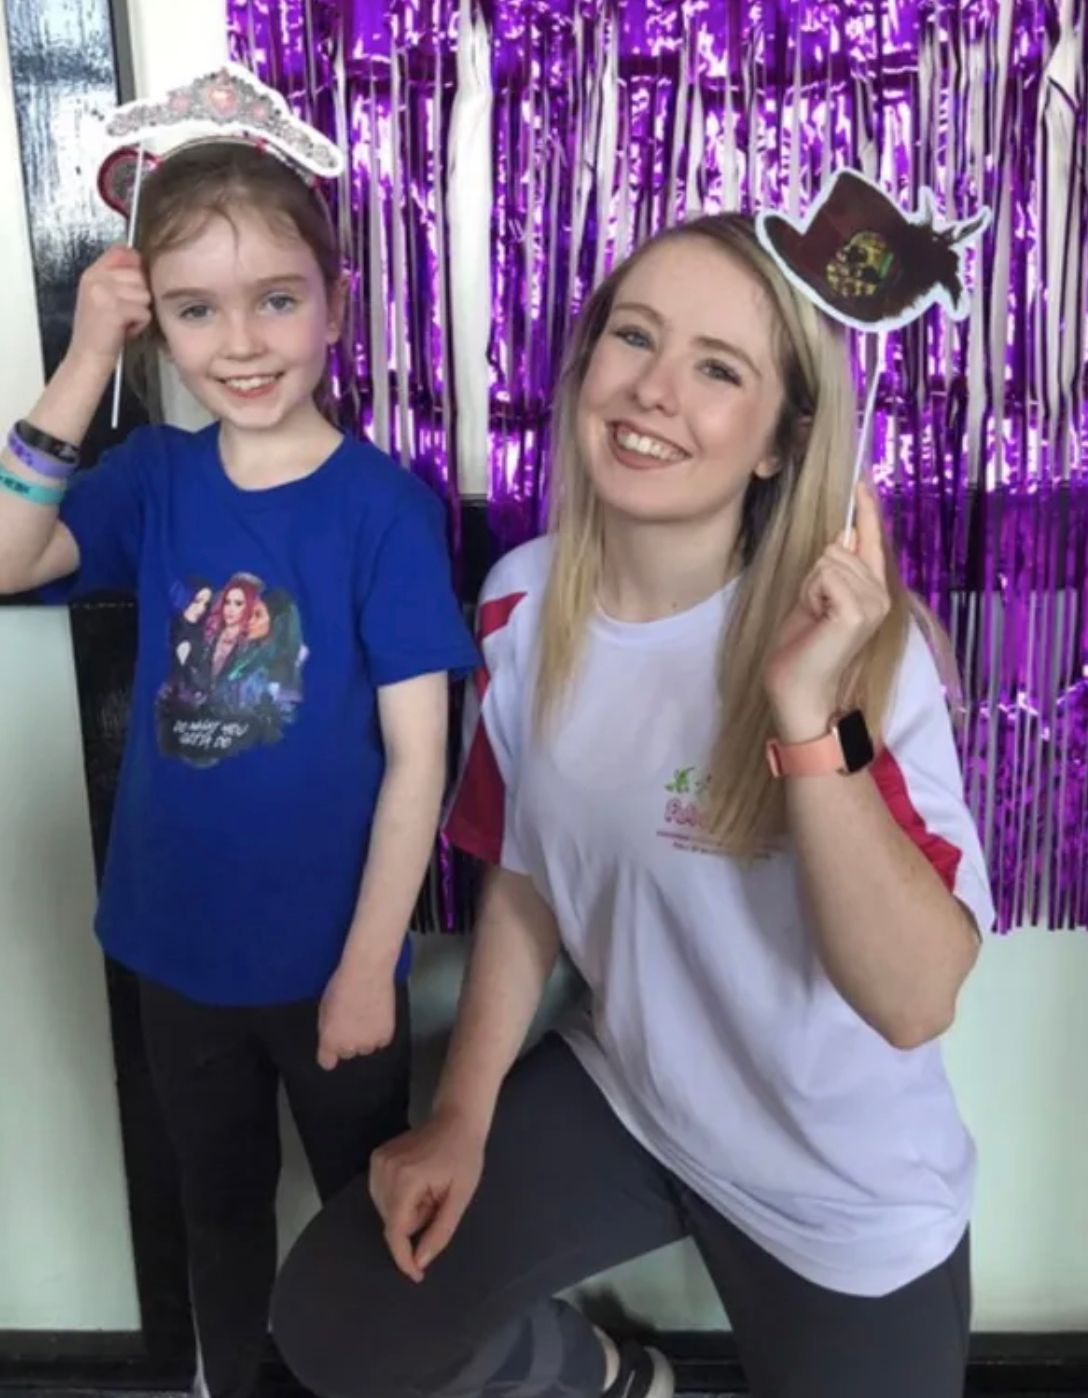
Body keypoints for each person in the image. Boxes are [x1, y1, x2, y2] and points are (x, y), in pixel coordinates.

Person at [269, 212, 995, 1398]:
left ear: (776, 442)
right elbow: (523, 876)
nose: (654, 391)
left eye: (719, 369)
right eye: (634, 338)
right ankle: (615, 1381)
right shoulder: (521, 599)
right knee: (341, 1316)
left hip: (839, 1186)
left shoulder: (868, 654)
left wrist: (802, 715)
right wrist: (461, 1113)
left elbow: (912, 1002)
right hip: (638, 1102)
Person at [0, 131, 477, 1398]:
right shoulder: (148, 478)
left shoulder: (383, 505)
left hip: (333, 963)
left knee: (358, 1214)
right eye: (196, 310)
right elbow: (6, 556)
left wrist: (371, 965)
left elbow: (418, 759)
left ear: (336, 301)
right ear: (155, 318)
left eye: (277, 299)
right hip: (174, 951)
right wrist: (86, 358)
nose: (245, 343)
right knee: (215, 1207)